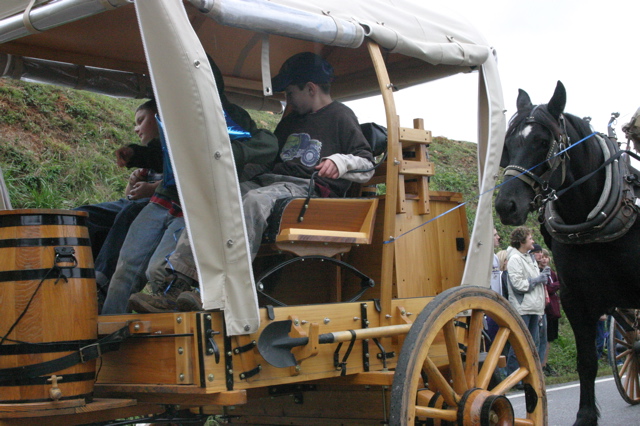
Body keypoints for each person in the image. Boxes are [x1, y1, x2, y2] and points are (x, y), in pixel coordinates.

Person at [139, 52, 376, 312]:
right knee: (218, 199)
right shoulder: (291, 121)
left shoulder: (340, 116)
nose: (287, 101)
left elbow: (366, 163)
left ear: (310, 89)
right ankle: (177, 284)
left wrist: (340, 162)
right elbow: (270, 158)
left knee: (254, 201)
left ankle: (228, 289)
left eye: (289, 94)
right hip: (271, 182)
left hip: (304, 188)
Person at [104, 55, 279, 314]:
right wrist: (136, 155)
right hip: (163, 199)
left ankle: (169, 332)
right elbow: (167, 153)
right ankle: (108, 335)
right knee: (126, 267)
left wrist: (231, 153)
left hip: (196, 204)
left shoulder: (230, 116)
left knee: (158, 271)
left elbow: (267, 144)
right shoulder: (173, 112)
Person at [504, 227, 550, 379]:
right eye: (530, 238)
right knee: (520, 343)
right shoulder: (515, 259)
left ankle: (529, 375)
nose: (533, 241)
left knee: (533, 343)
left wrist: (542, 276)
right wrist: (537, 280)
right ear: (522, 241)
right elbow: (518, 284)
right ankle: (513, 376)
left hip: (534, 307)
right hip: (523, 307)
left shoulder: (528, 258)